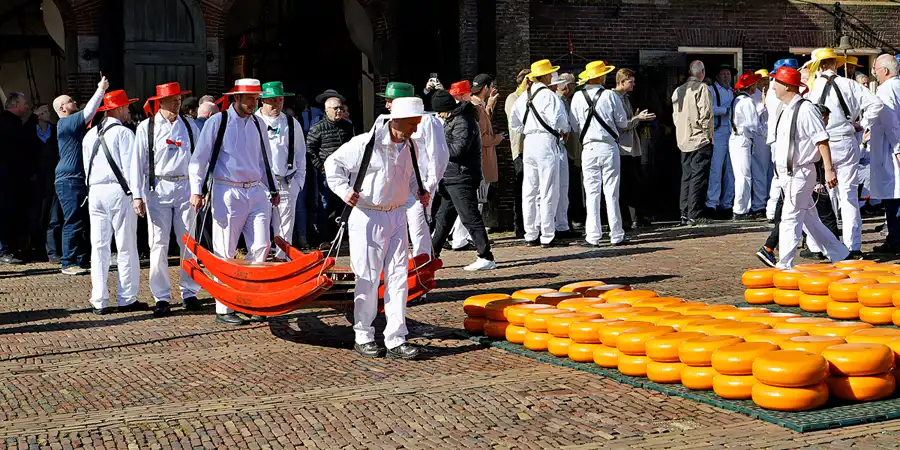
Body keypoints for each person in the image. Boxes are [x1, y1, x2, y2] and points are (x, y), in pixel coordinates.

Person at [325, 97, 432, 360]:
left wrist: (417, 193)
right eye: (411, 123)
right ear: (396, 120)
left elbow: (408, 178)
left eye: (417, 122)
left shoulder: (411, 146)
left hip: (396, 216)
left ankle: (396, 338)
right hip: (367, 215)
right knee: (368, 277)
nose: (415, 128)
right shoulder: (365, 143)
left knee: (398, 278)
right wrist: (344, 191)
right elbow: (332, 164)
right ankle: (363, 334)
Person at [189, 78, 279, 326]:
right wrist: (196, 190)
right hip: (227, 190)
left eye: (255, 98)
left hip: (256, 190)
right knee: (225, 248)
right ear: (236, 97)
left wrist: (271, 188)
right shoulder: (217, 122)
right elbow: (199, 159)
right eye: (249, 98)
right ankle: (224, 306)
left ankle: (255, 300)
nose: (253, 103)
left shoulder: (258, 124)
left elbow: (265, 159)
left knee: (261, 246)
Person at [130, 82, 202, 317]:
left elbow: (199, 160)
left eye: (179, 98)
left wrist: (199, 189)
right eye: (172, 99)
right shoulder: (146, 128)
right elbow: (137, 163)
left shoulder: (190, 126)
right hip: (157, 188)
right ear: (160, 102)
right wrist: (138, 195)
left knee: (188, 241)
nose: (177, 102)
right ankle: (161, 296)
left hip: (185, 186)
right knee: (158, 243)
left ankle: (189, 292)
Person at [768, 67, 850, 268]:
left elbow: (821, 140)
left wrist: (829, 169)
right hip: (789, 174)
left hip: (800, 172)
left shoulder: (805, 109)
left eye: (776, 82)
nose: (773, 87)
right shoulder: (787, 109)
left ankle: (784, 263)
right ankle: (839, 252)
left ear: (786, 85)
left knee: (790, 217)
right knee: (808, 219)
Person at [808, 48, 884, 259]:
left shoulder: (813, 89)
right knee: (849, 195)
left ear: (820, 66)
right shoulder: (849, 84)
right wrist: (862, 124)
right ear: (835, 65)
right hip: (846, 140)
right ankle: (853, 246)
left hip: (824, 143)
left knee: (827, 195)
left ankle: (829, 246)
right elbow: (876, 104)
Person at [83, 90, 146, 314]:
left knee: (98, 247)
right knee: (126, 244)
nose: (129, 110)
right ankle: (126, 297)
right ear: (117, 109)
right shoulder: (123, 133)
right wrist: (138, 196)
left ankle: (99, 300)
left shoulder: (90, 135)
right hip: (119, 191)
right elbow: (133, 169)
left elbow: (85, 167)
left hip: (95, 191)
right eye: (126, 107)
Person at [378, 82, 449, 258]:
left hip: (420, 184)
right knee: (398, 229)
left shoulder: (428, 121)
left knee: (419, 226)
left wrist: (430, 185)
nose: (386, 105)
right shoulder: (386, 122)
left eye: (390, 101)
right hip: (398, 185)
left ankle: (422, 262)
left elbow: (438, 155)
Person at [430, 90, 496, 270]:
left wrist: (435, 147)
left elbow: (458, 149)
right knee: (443, 218)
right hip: (451, 177)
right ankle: (431, 254)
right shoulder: (454, 120)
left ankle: (486, 256)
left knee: (470, 217)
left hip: (461, 176)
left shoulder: (463, 121)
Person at [509, 59, 571, 247]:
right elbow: (561, 122)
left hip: (529, 141)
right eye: (550, 73)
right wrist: (563, 131)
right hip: (545, 140)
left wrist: (528, 128)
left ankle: (530, 233)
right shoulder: (549, 96)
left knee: (530, 189)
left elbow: (514, 123)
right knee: (548, 188)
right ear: (544, 76)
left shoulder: (522, 97)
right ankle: (547, 234)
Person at [53, 76, 109, 275]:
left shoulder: (70, 125)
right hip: (70, 179)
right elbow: (88, 112)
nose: (74, 102)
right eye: (70, 101)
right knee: (73, 220)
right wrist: (100, 89)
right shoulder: (66, 123)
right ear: (62, 109)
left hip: (76, 179)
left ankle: (79, 258)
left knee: (80, 220)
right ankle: (68, 262)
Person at [571, 61, 629, 246]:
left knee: (591, 192)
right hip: (609, 146)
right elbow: (622, 122)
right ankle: (616, 234)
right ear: (600, 77)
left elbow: (573, 126)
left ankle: (593, 236)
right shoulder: (611, 95)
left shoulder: (577, 97)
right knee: (612, 191)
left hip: (588, 147)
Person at [255, 81, 308, 257]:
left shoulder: (292, 124)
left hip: (285, 183)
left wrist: (298, 184)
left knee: (285, 234)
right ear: (262, 101)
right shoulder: (252, 122)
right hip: (259, 185)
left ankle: (283, 264)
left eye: (280, 100)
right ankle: (258, 266)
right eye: (272, 101)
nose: (277, 104)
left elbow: (301, 156)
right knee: (259, 233)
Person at [306, 89, 354, 248]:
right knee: (325, 205)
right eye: (335, 108)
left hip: (345, 172)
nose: (339, 110)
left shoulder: (347, 126)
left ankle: (344, 238)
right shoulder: (317, 128)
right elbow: (310, 150)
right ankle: (324, 239)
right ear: (327, 110)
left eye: (341, 108)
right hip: (326, 174)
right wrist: (320, 168)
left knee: (345, 204)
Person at [672, 61, 714, 226]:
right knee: (699, 177)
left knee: (686, 177)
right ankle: (695, 214)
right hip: (699, 139)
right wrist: (708, 136)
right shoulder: (702, 88)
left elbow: (676, 116)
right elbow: (706, 114)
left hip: (683, 140)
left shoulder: (678, 90)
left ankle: (684, 213)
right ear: (702, 72)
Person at [613, 68, 656, 229]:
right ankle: (627, 220)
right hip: (623, 147)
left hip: (631, 147)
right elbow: (622, 124)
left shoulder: (626, 98)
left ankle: (635, 217)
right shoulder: (615, 99)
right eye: (630, 81)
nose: (634, 84)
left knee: (633, 183)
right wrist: (638, 119)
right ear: (621, 82)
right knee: (626, 184)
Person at [869, 54, 900, 253]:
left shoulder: (886, 89)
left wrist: (898, 148)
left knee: (893, 193)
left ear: (886, 71)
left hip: (890, 148)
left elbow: (890, 122)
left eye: (876, 69)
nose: (874, 73)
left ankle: (896, 239)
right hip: (891, 145)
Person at [765, 59, 800, 221]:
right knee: (781, 174)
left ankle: (773, 210)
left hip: (779, 137)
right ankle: (773, 210)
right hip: (780, 137)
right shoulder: (776, 90)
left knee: (779, 174)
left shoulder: (773, 87)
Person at [0, 93, 32, 264]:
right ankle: (4, 250)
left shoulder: (13, 123)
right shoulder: (7, 124)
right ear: (15, 105)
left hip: (13, 178)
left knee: (12, 215)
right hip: (7, 178)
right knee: (6, 215)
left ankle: (11, 248)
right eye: (24, 103)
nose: (27, 106)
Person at [729, 71, 763, 220]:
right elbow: (754, 124)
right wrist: (767, 132)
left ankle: (741, 208)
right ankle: (740, 210)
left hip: (735, 138)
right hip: (743, 139)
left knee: (740, 175)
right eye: (754, 84)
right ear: (751, 86)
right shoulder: (747, 101)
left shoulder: (737, 99)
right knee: (744, 176)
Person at [706, 64, 737, 216]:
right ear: (717, 76)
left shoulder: (733, 92)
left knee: (731, 170)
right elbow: (708, 109)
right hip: (718, 133)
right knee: (716, 169)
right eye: (723, 74)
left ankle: (727, 203)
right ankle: (712, 203)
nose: (726, 77)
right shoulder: (711, 90)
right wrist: (726, 110)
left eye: (728, 74)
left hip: (732, 133)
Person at [35, 104, 62, 263]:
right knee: (38, 215)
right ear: (37, 115)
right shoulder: (31, 131)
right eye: (43, 112)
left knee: (54, 216)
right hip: (37, 179)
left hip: (52, 176)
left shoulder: (55, 130)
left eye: (48, 111)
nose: (48, 114)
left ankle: (52, 251)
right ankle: (38, 249)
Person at [505, 69, 531, 238]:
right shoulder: (513, 98)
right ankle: (519, 225)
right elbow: (516, 117)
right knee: (521, 187)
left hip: (532, 149)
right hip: (520, 149)